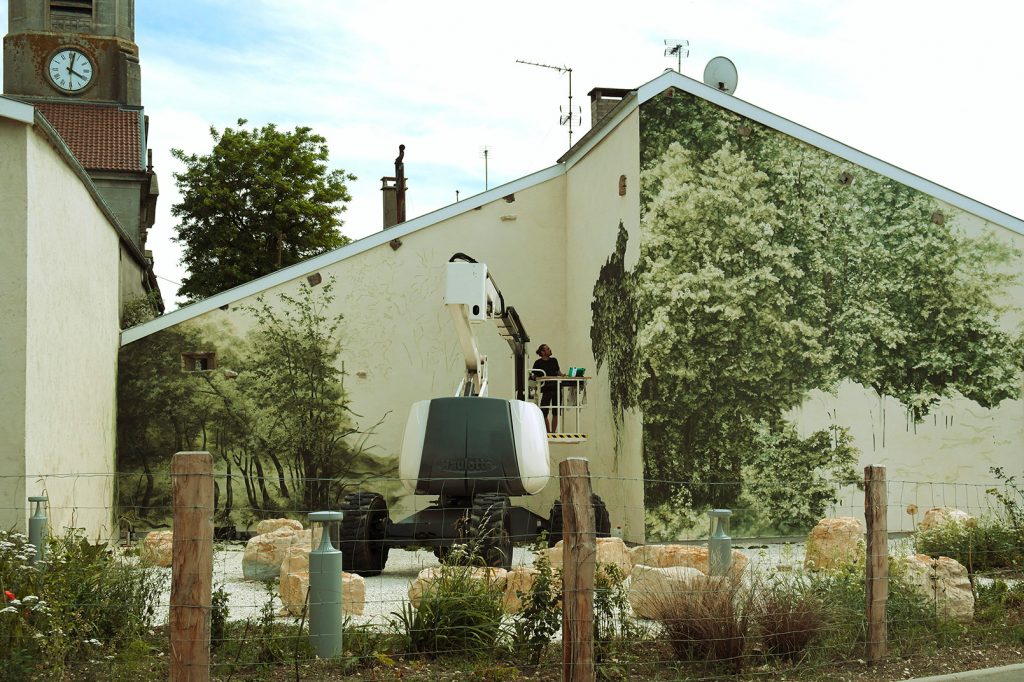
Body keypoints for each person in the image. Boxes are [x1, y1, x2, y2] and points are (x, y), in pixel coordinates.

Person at [532, 343, 561, 433]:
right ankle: (548, 432)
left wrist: (565, 375)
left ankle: (553, 432)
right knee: (544, 412)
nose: (550, 350)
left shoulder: (554, 360)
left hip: (556, 388)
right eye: (548, 349)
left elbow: (558, 372)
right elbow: (533, 376)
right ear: (543, 352)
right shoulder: (538, 363)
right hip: (546, 389)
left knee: (556, 411)